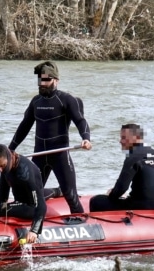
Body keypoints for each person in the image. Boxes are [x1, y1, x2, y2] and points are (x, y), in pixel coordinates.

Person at [8, 61, 92, 214]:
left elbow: (80, 120)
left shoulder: (66, 99)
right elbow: (24, 126)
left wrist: (86, 138)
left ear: (56, 80)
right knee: (29, 195)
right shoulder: (36, 101)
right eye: (40, 80)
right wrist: (10, 148)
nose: (42, 84)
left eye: (46, 80)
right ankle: (53, 192)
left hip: (60, 155)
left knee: (71, 196)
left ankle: (81, 221)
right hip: (39, 154)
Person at [89, 123, 154, 212]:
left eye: (124, 138)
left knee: (96, 201)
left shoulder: (133, 157)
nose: (120, 141)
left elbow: (121, 188)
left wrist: (111, 195)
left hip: (137, 207)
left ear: (136, 138)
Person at [0, 144, 47, 244]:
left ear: (9, 157)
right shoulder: (7, 166)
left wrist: (34, 231)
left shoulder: (25, 173)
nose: (0, 169)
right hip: (26, 196)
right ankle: (57, 191)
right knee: (41, 193)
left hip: (30, 207)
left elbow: (41, 205)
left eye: (2, 166)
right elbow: (3, 191)